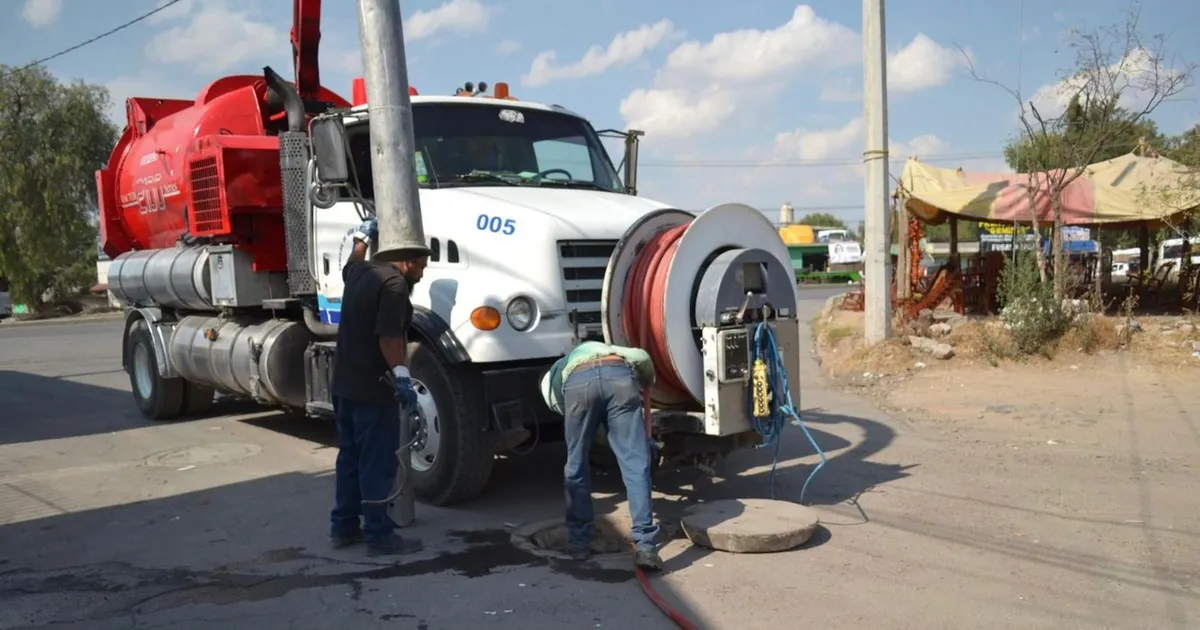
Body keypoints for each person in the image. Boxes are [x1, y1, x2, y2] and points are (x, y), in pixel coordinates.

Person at [328, 216, 429, 557]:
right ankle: (378, 535)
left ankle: (343, 527)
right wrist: (402, 377)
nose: (422, 272)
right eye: (420, 265)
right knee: (376, 463)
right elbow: (388, 338)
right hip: (373, 389)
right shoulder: (395, 285)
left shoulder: (361, 272)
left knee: (350, 459)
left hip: (343, 384)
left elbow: (349, 266)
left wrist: (361, 238)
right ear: (405, 261)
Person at [539, 341, 664, 571]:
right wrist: (646, 380)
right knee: (636, 465)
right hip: (620, 380)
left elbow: (569, 411)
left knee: (575, 465)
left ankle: (579, 544)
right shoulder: (613, 351)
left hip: (579, 387)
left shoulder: (560, 374)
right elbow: (642, 357)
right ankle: (646, 546)